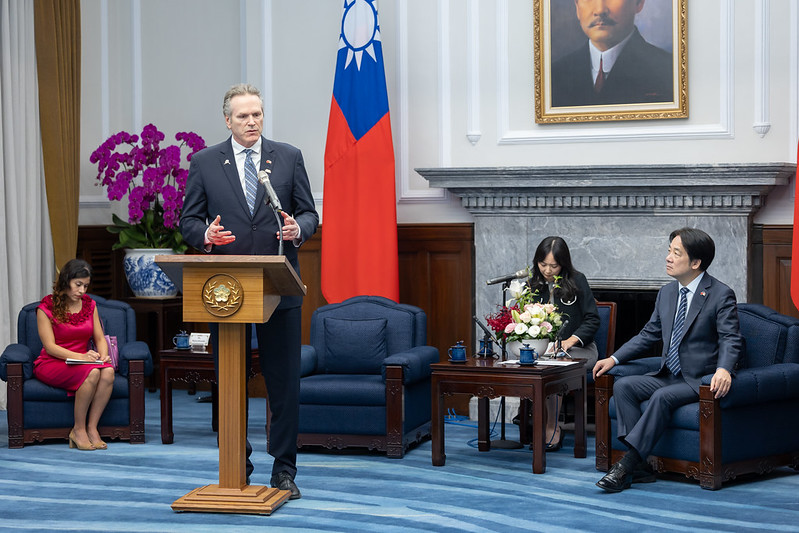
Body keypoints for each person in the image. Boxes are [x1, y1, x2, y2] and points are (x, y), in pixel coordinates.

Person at [180, 83, 318, 499]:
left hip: (279, 287)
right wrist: (205, 235)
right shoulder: (205, 162)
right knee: (230, 380)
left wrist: (298, 229)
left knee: (284, 384)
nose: (252, 121)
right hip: (226, 292)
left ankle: (284, 469)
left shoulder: (288, 157)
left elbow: (309, 213)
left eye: (257, 114)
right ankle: (235, 461)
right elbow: (189, 221)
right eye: (243, 116)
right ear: (228, 120)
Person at [592, 228, 742, 493]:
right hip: (669, 374)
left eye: (676, 253)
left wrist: (724, 369)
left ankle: (627, 466)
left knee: (662, 397)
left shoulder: (720, 294)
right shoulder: (667, 293)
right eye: (669, 250)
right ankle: (640, 466)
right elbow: (648, 334)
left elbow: (731, 338)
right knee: (623, 386)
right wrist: (614, 358)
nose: (668, 257)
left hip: (698, 378)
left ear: (695, 263)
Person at [517, 237, 600, 451]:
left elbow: (592, 319)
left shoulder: (577, 280)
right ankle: (533, 419)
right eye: (543, 264)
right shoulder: (532, 285)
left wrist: (570, 341)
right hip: (545, 351)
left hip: (580, 349)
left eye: (554, 266)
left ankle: (552, 427)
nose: (547, 270)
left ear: (563, 263)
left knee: (554, 368)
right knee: (536, 363)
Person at [33, 259, 115, 451]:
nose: (82, 291)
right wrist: (82, 357)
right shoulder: (46, 307)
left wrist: (103, 356)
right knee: (92, 372)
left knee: (108, 371)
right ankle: (78, 430)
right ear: (66, 280)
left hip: (83, 361)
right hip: (52, 362)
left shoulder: (90, 305)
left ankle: (92, 428)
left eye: (85, 286)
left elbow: (100, 338)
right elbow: (50, 347)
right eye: (78, 284)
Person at [551, 0, 673, 107]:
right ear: (577, 7)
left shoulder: (670, 71)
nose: (600, 10)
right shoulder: (554, 75)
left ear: (639, 3)